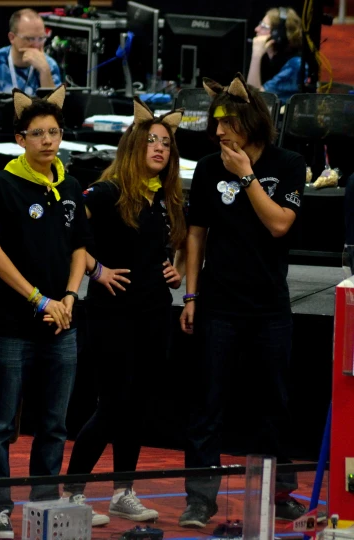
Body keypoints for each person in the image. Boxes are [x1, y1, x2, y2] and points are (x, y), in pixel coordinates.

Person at [178, 73, 307, 528]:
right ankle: (199, 498)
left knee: (272, 403)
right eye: (216, 124)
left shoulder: (289, 163)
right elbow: (196, 234)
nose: (217, 132)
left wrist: (247, 176)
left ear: (250, 122)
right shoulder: (209, 167)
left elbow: (279, 225)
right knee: (207, 403)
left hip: (270, 307)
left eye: (226, 123)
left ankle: (276, 494)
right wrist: (191, 294)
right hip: (219, 304)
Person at [0, 85, 91, 539]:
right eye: (38, 133)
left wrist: (67, 297)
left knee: (54, 424)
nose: (48, 140)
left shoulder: (70, 184)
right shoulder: (0, 184)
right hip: (11, 326)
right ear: (20, 138)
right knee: (1, 424)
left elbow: (80, 247)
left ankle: (44, 504)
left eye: (54, 132)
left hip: (62, 325)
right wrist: (37, 298)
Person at [64, 99, 186, 526]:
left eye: (166, 144)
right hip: (111, 316)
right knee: (112, 404)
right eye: (151, 140)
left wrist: (174, 270)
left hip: (154, 314)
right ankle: (73, 493)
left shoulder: (163, 197)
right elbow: (70, 226)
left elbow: (168, 247)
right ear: (133, 146)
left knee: (137, 404)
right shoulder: (109, 190)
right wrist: (95, 271)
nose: (159, 148)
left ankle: (123, 492)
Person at [247, 7, 304, 103]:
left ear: (278, 35)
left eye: (264, 26)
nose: (256, 29)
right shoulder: (268, 57)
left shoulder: (295, 65)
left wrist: (256, 56)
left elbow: (255, 100)